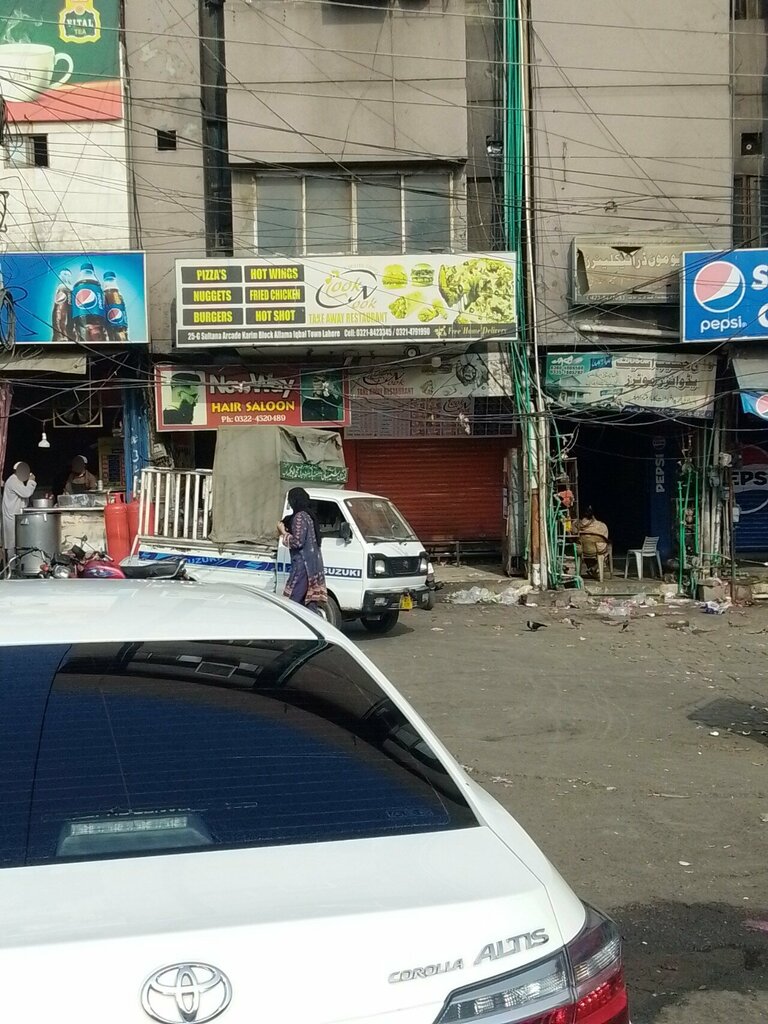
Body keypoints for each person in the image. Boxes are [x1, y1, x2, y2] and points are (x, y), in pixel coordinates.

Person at [277, 487, 327, 613]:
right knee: (309, 606)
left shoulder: (299, 517)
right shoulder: (308, 515)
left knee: (292, 603)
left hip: (303, 566)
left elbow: (297, 542)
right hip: (312, 567)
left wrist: (283, 533)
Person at [2, 462, 36, 561]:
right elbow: (26, 493)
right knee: (12, 543)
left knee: (18, 541)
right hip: (12, 516)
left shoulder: (18, 481)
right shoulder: (13, 480)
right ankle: (11, 569)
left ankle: (17, 566)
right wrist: (31, 481)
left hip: (16, 515)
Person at [576, 507, 612, 576]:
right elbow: (605, 538)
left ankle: (593, 568)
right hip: (598, 550)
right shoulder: (601, 525)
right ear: (593, 515)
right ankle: (594, 568)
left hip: (582, 550)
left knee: (585, 546)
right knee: (607, 549)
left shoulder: (576, 524)